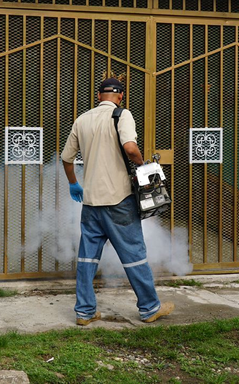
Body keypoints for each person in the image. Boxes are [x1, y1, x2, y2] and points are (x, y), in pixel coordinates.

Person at [61, 77, 174, 326]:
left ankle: (84, 312)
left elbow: (67, 158)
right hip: (119, 200)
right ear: (121, 96)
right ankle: (149, 307)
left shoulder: (82, 119)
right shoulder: (122, 115)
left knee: (87, 258)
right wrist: (143, 167)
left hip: (90, 202)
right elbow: (131, 148)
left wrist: (73, 183)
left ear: (99, 96)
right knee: (134, 254)